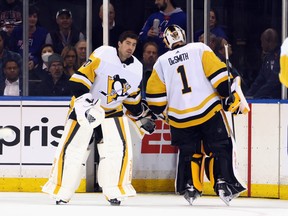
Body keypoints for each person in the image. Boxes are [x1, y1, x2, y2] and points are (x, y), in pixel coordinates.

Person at [42, 31, 156, 205]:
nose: (130, 48)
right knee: (72, 149)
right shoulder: (103, 54)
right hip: (87, 106)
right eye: (127, 43)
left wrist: (141, 116)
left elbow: (132, 101)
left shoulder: (136, 68)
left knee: (118, 150)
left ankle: (114, 191)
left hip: (112, 111)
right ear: (119, 44)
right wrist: (86, 105)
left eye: (133, 44)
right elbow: (78, 82)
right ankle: (61, 192)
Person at [145, 25, 249, 206]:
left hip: (179, 118)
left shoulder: (161, 62)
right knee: (220, 147)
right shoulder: (199, 48)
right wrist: (228, 97)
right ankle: (223, 182)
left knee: (189, 152)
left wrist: (167, 115)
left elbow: (155, 100)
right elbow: (219, 77)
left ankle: (190, 186)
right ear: (183, 36)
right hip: (208, 111)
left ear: (166, 41)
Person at [9, 5, 48, 71]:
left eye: (35, 16)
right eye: (29, 16)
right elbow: (11, 51)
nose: (32, 19)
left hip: (37, 66)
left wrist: (34, 61)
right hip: (17, 65)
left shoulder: (43, 33)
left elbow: (45, 53)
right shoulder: (16, 31)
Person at [245, 28, 281, 99]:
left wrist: (257, 96)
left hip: (280, 98)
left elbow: (274, 80)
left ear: (269, 42)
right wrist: (248, 95)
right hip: (268, 98)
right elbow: (260, 79)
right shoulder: (267, 57)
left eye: (262, 42)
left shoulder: (282, 55)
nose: (261, 45)